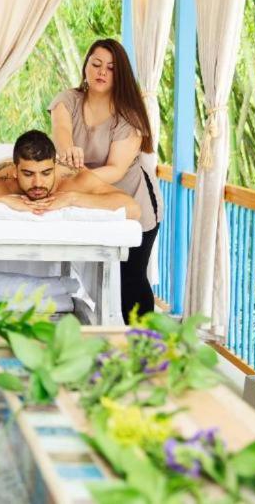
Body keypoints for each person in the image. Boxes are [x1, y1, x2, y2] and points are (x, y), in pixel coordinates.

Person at [49, 38, 162, 319]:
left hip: (133, 199)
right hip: (92, 200)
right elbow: (61, 130)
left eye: (111, 68)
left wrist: (71, 180)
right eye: (96, 64)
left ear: (119, 75)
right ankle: (105, 333)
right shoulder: (68, 100)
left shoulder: (128, 116)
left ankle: (145, 340)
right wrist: (67, 151)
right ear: (86, 65)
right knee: (102, 279)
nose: (102, 72)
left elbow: (115, 170)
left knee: (131, 278)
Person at [0, 129, 139, 220]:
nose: (38, 182)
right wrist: (3, 200)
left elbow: (133, 209)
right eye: (28, 174)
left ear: (55, 168)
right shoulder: (0, 180)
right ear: (15, 171)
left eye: (46, 173)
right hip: (0, 157)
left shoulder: (74, 179)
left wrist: (72, 199)